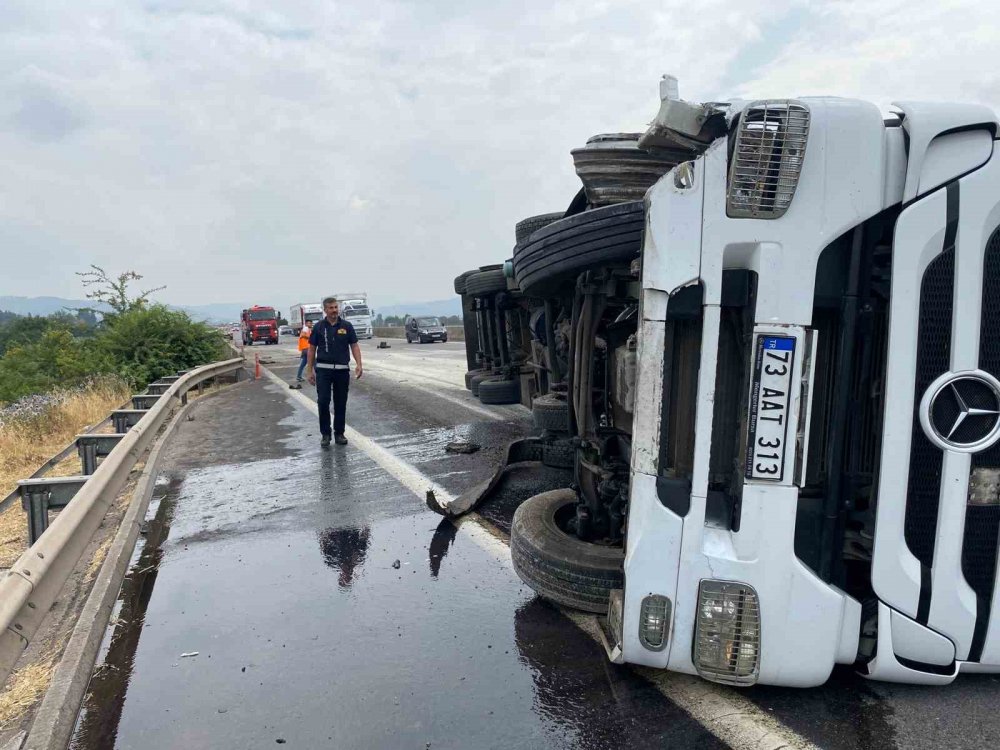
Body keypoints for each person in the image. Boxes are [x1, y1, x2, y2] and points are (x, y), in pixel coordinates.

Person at [307, 297, 363, 447]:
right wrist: (309, 370)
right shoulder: (318, 327)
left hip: (342, 371)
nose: (334, 310)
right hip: (323, 371)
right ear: (325, 310)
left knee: (340, 403)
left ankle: (339, 433)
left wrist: (359, 364)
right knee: (323, 401)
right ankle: (325, 434)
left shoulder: (347, 326)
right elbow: (312, 349)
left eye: (335, 307)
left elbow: (354, 346)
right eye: (331, 308)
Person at [290, 320, 312, 389]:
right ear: (306, 324)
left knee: (303, 363)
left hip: (305, 348)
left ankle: (299, 376)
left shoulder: (307, 329)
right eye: (309, 323)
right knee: (314, 362)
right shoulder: (306, 328)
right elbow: (305, 336)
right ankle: (319, 378)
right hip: (306, 348)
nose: (310, 324)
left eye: (311, 323)